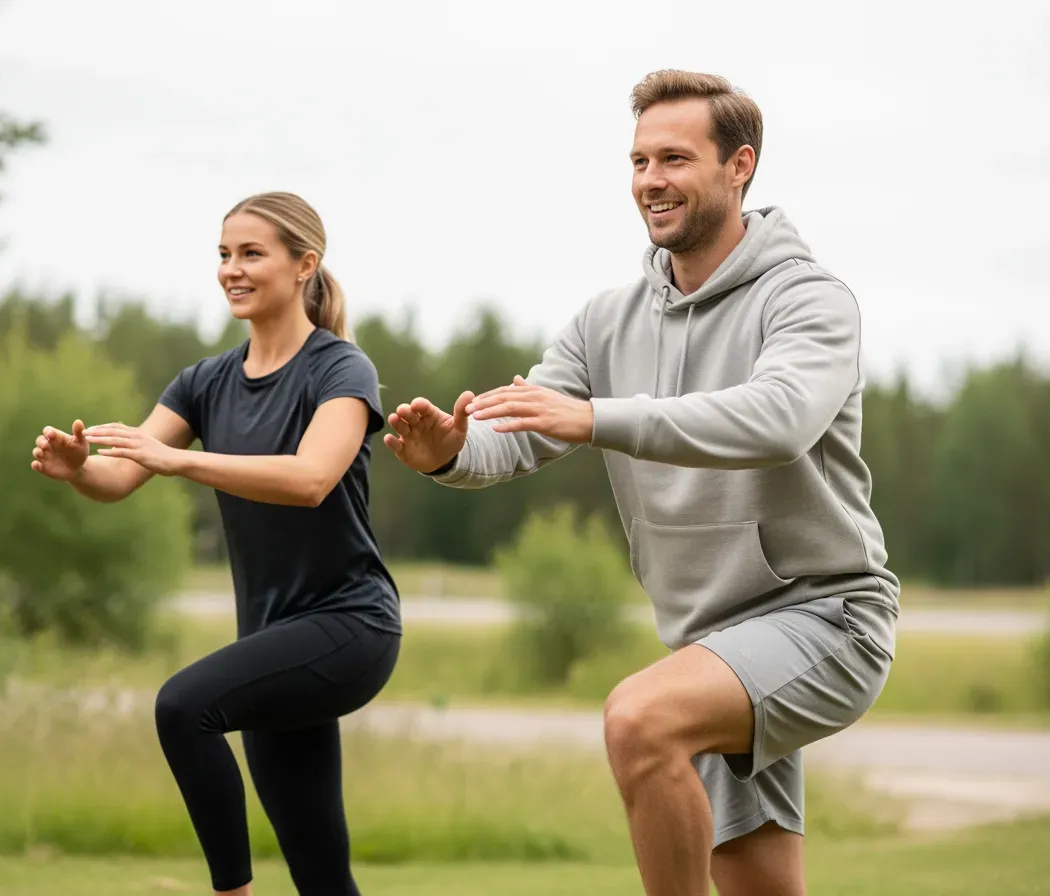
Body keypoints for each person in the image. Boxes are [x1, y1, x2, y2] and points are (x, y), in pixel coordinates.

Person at [383, 70, 898, 896]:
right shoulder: (605, 321)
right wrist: (448, 450)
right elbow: (517, 434)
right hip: (712, 647)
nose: (650, 180)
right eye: (638, 161)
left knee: (640, 719)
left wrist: (599, 418)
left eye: (674, 158)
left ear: (740, 166)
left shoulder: (811, 300)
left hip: (829, 619)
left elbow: (777, 420)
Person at [30, 191, 401, 896]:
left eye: (251, 253)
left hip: (351, 627)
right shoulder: (204, 382)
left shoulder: (339, 370)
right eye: (224, 254)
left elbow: (311, 478)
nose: (232, 269)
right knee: (324, 878)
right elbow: (117, 478)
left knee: (183, 706)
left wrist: (181, 461)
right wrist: (80, 470)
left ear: (304, 266)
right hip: (273, 636)